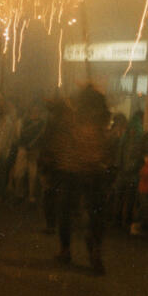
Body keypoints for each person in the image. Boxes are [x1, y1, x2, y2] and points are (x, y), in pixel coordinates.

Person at [48, 85, 115, 274]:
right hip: (91, 171)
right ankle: (91, 251)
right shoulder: (99, 119)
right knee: (93, 214)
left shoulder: (75, 118)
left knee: (68, 211)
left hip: (76, 170)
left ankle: (69, 250)